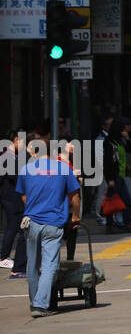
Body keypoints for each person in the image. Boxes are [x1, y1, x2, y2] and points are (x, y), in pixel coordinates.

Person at [16, 126, 81, 317]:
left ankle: (34, 301)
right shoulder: (62, 168)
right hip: (53, 223)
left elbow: (23, 197)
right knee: (50, 265)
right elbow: (75, 196)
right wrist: (75, 216)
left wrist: (34, 207)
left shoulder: (27, 169)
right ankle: (40, 304)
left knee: (32, 265)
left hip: (31, 222)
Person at [102, 120, 131, 234]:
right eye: (122, 129)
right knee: (112, 201)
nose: (124, 131)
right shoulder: (109, 142)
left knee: (126, 201)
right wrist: (111, 179)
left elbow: (128, 150)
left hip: (121, 175)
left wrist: (127, 139)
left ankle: (127, 223)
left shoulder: (119, 141)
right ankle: (110, 225)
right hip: (114, 176)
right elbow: (108, 162)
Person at [1, 130, 28, 276]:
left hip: (10, 197)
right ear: (16, 140)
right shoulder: (8, 157)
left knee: (14, 226)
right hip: (10, 198)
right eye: (23, 142)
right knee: (12, 227)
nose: (24, 145)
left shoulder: (10, 156)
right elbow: (14, 176)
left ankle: (5, 256)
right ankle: (3, 256)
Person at [93, 113, 113, 225]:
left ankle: (106, 214)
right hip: (102, 170)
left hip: (106, 170)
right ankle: (99, 216)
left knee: (105, 193)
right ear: (105, 126)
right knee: (102, 193)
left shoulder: (108, 137)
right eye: (110, 124)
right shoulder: (101, 139)